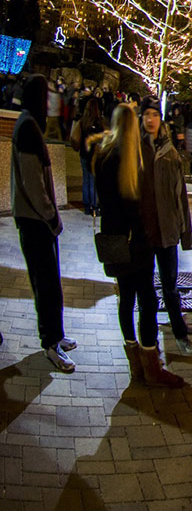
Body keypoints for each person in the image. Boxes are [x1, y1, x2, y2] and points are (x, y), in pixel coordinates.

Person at [96, 104, 185, 387]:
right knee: (147, 300)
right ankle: (151, 365)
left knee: (126, 300)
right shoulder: (129, 158)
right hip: (135, 242)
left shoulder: (103, 154)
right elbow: (134, 205)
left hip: (113, 240)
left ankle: (135, 365)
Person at [12, 74, 76, 372]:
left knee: (51, 281)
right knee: (45, 282)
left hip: (38, 220)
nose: (50, 100)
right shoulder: (27, 127)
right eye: (46, 94)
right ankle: (50, 342)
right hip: (34, 220)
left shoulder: (31, 124)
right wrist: (51, 215)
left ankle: (57, 335)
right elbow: (33, 182)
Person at [138, 98, 192, 356]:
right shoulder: (135, 149)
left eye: (155, 114)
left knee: (170, 287)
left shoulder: (169, 153)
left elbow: (180, 197)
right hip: (143, 231)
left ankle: (180, 335)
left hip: (167, 231)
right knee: (145, 292)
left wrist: (185, 233)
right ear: (141, 118)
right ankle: (148, 344)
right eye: (147, 115)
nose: (151, 119)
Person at [70, 95, 106, 216]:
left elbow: (76, 137)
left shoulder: (82, 122)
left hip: (84, 154)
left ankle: (86, 205)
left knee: (86, 179)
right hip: (95, 155)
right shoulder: (99, 123)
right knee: (93, 180)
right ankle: (94, 206)